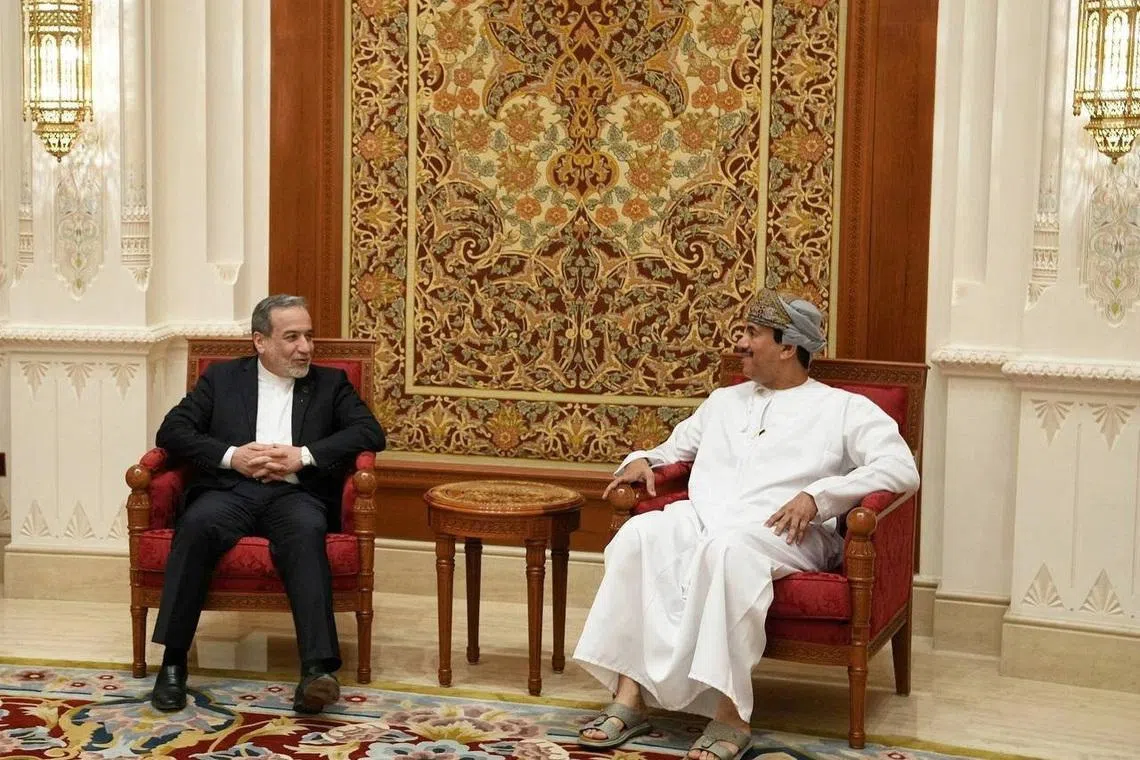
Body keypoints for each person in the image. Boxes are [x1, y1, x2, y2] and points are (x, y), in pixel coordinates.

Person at [572, 288, 919, 760]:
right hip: (707, 518)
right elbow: (672, 450)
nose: (739, 343)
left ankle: (731, 714)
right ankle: (629, 695)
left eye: (752, 333)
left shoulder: (843, 409)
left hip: (786, 532)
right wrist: (642, 460)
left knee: (729, 552)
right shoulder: (723, 401)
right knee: (639, 534)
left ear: (788, 346)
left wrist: (818, 498)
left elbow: (901, 470)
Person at [148, 294, 385, 714]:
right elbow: (173, 431)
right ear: (260, 341)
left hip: (295, 494)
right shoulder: (223, 380)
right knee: (197, 525)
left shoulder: (330, 384)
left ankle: (316, 670)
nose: (306, 348)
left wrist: (304, 455)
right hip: (229, 492)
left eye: (308, 337)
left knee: (307, 533)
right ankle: (172, 666)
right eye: (292, 337)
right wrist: (231, 455)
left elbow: (370, 434)